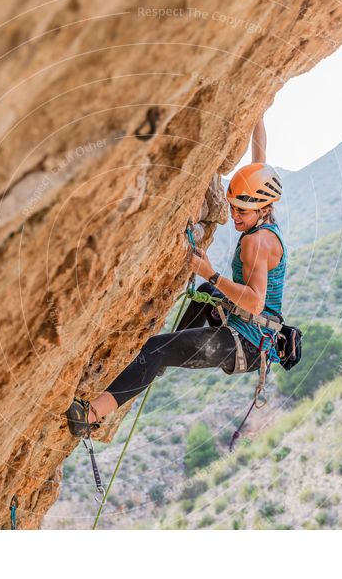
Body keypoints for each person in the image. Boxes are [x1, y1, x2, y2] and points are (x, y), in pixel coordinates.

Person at [66, 118, 287, 437]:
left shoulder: (257, 242)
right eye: (233, 207)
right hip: (255, 336)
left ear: (262, 208)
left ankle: (91, 415)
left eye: (241, 211)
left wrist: (208, 269)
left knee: (154, 349)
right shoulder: (262, 209)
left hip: (246, 343)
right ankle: (168, 356)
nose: (234, 215)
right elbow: (260, 159)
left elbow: (254, 302)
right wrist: (259, 115)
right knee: (207, 291)